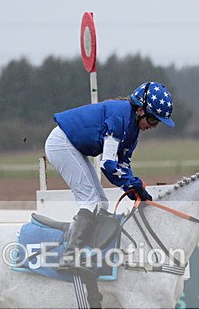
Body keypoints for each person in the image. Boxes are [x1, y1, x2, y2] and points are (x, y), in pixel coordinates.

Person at [44, 81, 175, 268]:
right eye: (153, 120)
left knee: (102, 203)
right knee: (90, 201)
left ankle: (88, 250)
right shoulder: (119, 117)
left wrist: (136, 191)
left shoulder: (132, 130)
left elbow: (122, 165)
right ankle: (70, 257)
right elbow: (108, 164)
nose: (153, 126)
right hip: (61, 144)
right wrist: (132, 184)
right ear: (140, 110)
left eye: (158, 124)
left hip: (73, 146)